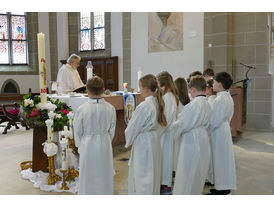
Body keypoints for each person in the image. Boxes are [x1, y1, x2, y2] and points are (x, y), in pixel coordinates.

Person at [73, 76, 116, 195]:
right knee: (104, 170)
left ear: (87, 90)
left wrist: (79, 145)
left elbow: (77, 131)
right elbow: (112, 130)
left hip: (87, 143)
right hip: (104, 142)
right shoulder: (110, 108)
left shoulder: (82, 109)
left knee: (88, 172)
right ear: (103, 90)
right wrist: (106, 139)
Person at [125, 74, 167, 195]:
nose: (139, 90)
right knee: (152, 174)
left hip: (144, 143)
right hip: (154, 140)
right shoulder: (157, 102)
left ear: (147, 89)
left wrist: (129, 140)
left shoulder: (144, 106)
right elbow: (161, 126)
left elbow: (133, 127)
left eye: (140, 87)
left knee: (143, 176)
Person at [171, 76, 211, 195]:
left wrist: (172, 127)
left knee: (187, 169)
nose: (188, 92)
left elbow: (182, 124)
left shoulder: (193, 105)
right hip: (203, 136)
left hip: (191, 139)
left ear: (193, 89)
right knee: (198, 170)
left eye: (189, 89)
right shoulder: (207, 103)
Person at [207, 72, 236, 195]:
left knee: (221, 160)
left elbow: (214, 120)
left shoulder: (220, 99)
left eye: (213, 82)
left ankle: (223, 189)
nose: (212, 85)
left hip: (218, 131)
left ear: (219, 84)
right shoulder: (226, 96)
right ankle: (221, 186)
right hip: (222, 129)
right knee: (221, 160)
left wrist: (206, 126)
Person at [156, 71, 179, 195]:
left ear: (164, 84)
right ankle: (163, 184)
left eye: (159, 84)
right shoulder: (169, 96)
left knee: (164, 159)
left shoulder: (168, 97)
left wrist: (157, 131)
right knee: (164, 159)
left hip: (165, 133)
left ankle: (165, 186)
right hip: (166, 133)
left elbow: (167, 119)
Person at [173, 77, 190, 177]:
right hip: (185, 130)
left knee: (176, 151)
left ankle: (176, 170)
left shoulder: (176, 100)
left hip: (177, 128)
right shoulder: (188, 99)